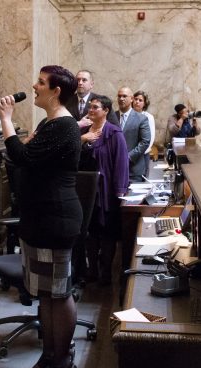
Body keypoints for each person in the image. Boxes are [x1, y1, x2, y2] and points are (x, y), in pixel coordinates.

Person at [0, 65, 82, 368]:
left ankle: (62, 363)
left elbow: (23, 157)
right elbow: (28, 155)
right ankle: (48, 357)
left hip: (56, 219)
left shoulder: (64, 126)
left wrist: (6, 119)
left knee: (58, 294)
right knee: (45, 294)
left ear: (56, 90)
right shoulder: (49, 122)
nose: (34, 86)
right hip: (39, 218)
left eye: (41, 82)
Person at [79, 95, 129, 286]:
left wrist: (120, 191)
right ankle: (92, 270)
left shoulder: (114, 133)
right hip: (85, 191)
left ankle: (106, 272)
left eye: (95, 107)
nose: (90, 110)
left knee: (107, 233)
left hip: (106, 191)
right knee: (90, 233)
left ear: (106, 111)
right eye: (90, 107)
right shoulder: (83, 131)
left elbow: (121, 163)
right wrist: (83, 141)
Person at [115, 87, 151, 182]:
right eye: (119, 96)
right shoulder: (112, 117)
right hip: (114, 168)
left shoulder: (141, 118)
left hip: (133, 170)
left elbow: (145, 142)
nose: (121, 99)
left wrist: (128, 157)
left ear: (131, 99)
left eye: (124, 96)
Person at [132, 91, 156, 175]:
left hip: (143, 153)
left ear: (145, 103)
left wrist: (141, 151)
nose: (137, 102)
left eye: (140, 100)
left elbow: (151, 137)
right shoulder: (127, 115)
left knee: (143, 177)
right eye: (135, 99)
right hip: (130, 153)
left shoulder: (148, 117)